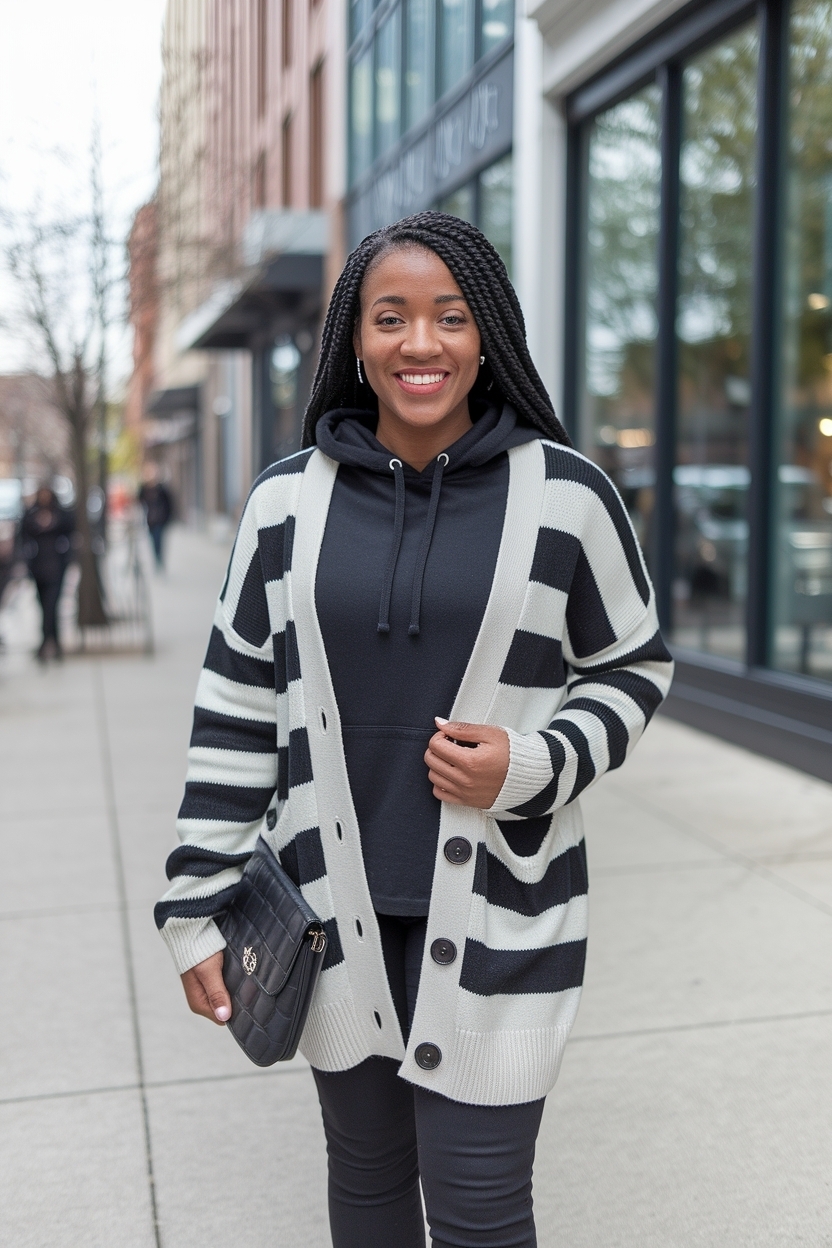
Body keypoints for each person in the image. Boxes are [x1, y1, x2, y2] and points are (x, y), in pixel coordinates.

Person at [155, 212, 674, 1247]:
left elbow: (632, 666)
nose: (420, 343)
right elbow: (236, 709)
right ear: (355, 339)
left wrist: (535, 763)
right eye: (390, 317)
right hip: (326, 920)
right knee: (367, 1182)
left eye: (450, 316)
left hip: (506, 914)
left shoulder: (568, 497)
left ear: (489, 335)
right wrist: (192, 904)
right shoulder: (282, 506)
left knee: (482, 1210)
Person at [20, 485, 75, 662]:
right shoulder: (31, 514)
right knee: (43, 605)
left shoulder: (60, 514)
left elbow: (70, 529)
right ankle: (51, 641)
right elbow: (23, 535)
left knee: (52, 605)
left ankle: (49, 642)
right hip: (38, 567)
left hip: (56, 567)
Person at [138, 464, 173, 568]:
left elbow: (169, 504)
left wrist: (167, 519)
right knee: (153, 540)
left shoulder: (161, 490)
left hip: (160, 520)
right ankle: (156, 558)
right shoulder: (145, 489)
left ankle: (159, 558)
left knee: (159, 539)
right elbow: (139, 499)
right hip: (150, 521)